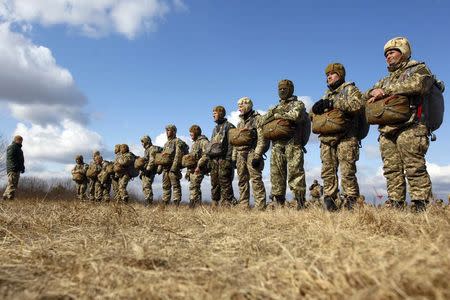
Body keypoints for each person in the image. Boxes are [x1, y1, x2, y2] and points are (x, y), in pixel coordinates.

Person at [366, 37, 435, 211]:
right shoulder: (385, 79)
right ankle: (396, 204)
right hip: (388, 130)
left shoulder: (418, 69)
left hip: (411, 127)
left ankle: (422, 206)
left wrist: (386, 91)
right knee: (391, 170)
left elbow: (420, 84)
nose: (388, 56)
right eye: (386, 54)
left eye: (392, 52)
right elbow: (365, 96)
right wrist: (371, 91)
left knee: (414, 167)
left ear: (403, 51)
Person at [312, 63, 364, 210]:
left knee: (347, 171)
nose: (329, 77)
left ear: (340, 75)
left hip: (347, 137)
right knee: (327, 172)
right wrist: (314, 110)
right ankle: (330, 202)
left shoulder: (350, 89)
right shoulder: (326, 95)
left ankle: (351, 202)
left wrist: (333, 103)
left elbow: (357, 105)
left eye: (332, 74)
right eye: (327, 75)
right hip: (327, 139)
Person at [263, 80, 308, 209]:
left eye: (284, 89)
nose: (282, 91)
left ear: (291, 90)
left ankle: (300, 204)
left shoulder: (298, 104)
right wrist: (275, 115)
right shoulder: (274, 107)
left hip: (293, 144)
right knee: (276, 176)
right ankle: (279, 204)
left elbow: (295, 115)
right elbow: (261, 121)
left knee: (296, 174)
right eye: (280, 89)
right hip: (277, 145)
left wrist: (276, 115)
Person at [232, 97, 269, 210]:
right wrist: (234, 157)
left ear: (248, 105)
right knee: (242, 180)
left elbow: (262, 139)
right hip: (240, 154)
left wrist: (257, 155)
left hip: (253, 152)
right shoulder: (239, 123)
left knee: (256, 179)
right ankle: (243, 205)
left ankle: (260, 206)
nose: (239, 108)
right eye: (238, 105)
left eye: (241, 105)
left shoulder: (258, 119)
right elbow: (236, 141)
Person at [206, 106, 236, 206]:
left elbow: (232, 144)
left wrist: (228, 159)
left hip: (224, 160)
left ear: (221, 113)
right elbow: (211, 145)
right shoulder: (215, 129)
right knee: (214, 183)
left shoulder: (229, 126)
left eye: (215, 112)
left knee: (225, 182)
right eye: (213, 112)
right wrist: (210, 159)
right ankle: (215, 204)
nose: (213, 114)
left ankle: (228, 204)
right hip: (214, 160)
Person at [160, 125, 185, 206]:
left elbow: (178, 155)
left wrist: (174, 167)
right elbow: (162, 157)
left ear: (174, 131)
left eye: (169, 130)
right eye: (166, 130)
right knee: (165, 187)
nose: (167, 132)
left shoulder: (177, 141)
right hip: (165, 169)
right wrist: (160, 168)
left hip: (173, 169)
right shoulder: (166, 144)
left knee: (176, 186)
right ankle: (165, 204)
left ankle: (176, 205)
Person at [185, 125, 209, 208]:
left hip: (199, 169)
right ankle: (198, 207)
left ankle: (192, 207)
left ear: (196, 132)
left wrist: (199, 166)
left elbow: (206, 155)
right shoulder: (194, 143)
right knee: (194, 188)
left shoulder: (203, 142)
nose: (190, 135)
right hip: (193, 169)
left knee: (194, 187)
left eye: (191, 133)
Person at [140, 135, 162, 205]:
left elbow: (152, 160)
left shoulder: (152, 149)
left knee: (147, 185)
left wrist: (148, 170)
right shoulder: (147, 150)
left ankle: (149, 202)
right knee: (145, 186)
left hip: (150, 170)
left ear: (147, 141)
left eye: (143, 142)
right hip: (147, 169)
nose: (142, 143)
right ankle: (148, 200)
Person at [2, 135, 25, 200]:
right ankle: (9, 197)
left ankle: (5, 196)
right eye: (20, 140)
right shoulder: (12, 147)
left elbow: (20, 160)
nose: (21, 142)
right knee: (12, 184)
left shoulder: (18, 148)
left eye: (21, 141)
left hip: (17, 168)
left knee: (12, 184)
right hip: (13, 168)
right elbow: (11, 158)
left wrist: (22, 167)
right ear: (16, 140)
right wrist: (14, 166)